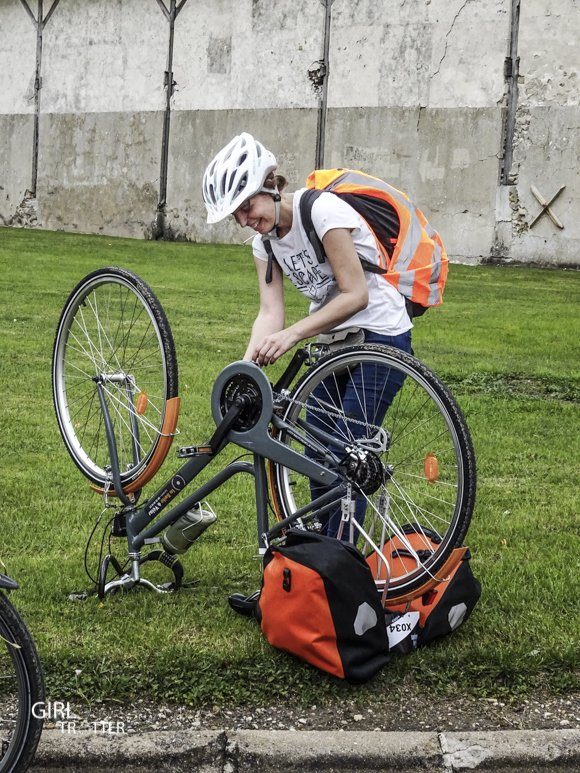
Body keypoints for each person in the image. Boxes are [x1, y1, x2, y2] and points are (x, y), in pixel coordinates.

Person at [202, 132, 413, 538]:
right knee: (315, 450)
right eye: (236, 215)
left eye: (246, 206)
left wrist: (293, 335)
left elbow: (356, 294)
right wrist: (245, 373)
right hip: (333, 345)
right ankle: (322, 553)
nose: (245, 220)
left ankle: (339, 562)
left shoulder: (322, 212)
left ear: (270, 185)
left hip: (381, 337)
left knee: (347, 450)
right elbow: (270, 312)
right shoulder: (265, 244)